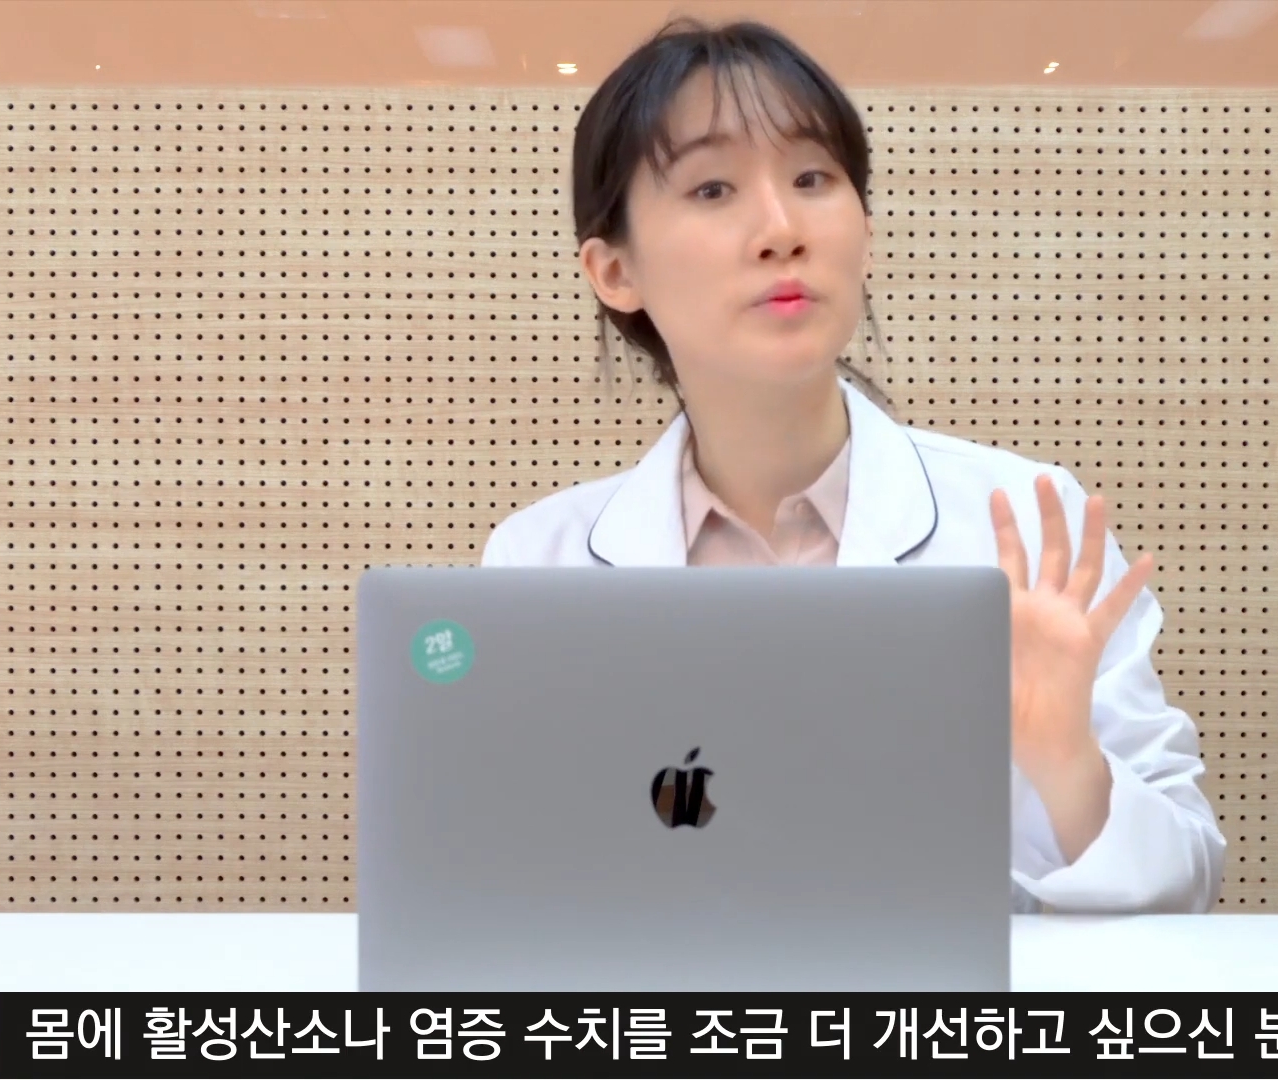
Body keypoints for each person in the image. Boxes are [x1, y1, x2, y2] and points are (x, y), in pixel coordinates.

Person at [479, 17, 1225, 915]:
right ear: (613, 271)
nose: (781, 229)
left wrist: (1063, 757)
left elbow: (1185, 884)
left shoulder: (1025, 522)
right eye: (712, 188)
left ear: (863, 227)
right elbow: (509, 884)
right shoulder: (538, 563)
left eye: (812, 179)